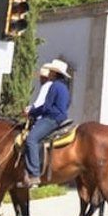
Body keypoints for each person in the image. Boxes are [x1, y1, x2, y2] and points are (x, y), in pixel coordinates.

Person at [22, 59, 71, 188]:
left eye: (51, 71)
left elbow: (46, 107)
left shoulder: (54, 86)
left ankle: (34, 174)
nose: (49, 73)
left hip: (51, 118)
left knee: (31, 139)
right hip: (61, 117)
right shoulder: (64, 87)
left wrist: (32, 112)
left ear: (54, 73)